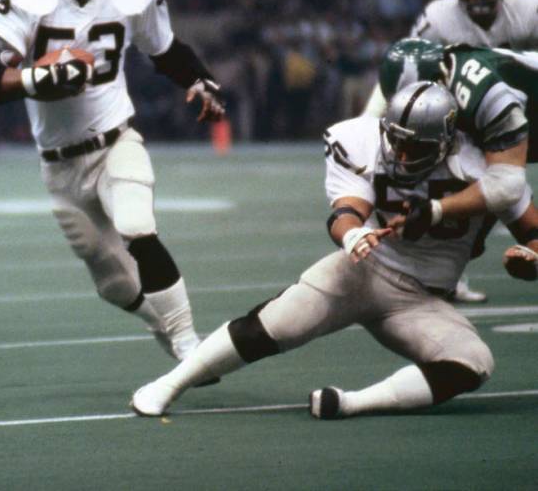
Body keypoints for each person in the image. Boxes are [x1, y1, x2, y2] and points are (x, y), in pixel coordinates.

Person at [132, 82, 538, 419]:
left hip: (421, 301)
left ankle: (351, 404)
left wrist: (530, 261)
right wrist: (352, 236)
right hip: (362, 270)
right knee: (274, 325)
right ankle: (169, 384)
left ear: (447, 143)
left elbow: (532, 233)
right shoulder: (361, 140)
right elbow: (346, 212)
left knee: (474, 361)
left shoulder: (487, 171)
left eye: (415, 149)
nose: (400, 155)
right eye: (396, 142)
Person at [0, 0, 225, 361]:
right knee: (111, 282)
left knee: (137, 227)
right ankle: (163, 328)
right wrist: (35, 78)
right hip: (59, 163)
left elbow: (164, 50)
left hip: (115, 139)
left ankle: (189, 344)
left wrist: (198, 80)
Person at [364, 0, 538, 302]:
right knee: (474, 181)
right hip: (506, 103)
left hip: (511, 107)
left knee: (485, 180)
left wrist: (437, 210)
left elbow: (505, 186)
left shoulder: (485, 90)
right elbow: (407, 64)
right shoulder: (440, 33)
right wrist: (366, 124)